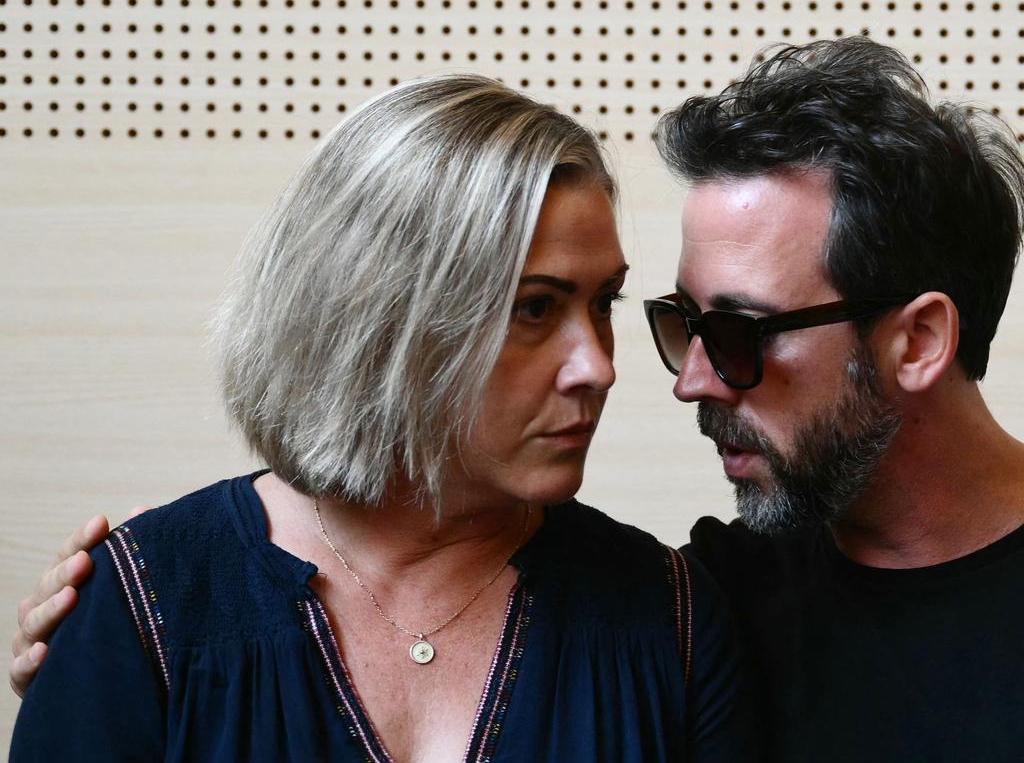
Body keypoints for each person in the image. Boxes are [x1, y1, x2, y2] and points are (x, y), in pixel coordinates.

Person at [9, 74, 753, 761]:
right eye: (535, 308)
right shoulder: (147, 607)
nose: (597, 365)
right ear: (384, 319)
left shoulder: (672, 618)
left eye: (602, 304)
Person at [644, 38, 1024, 761]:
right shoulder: (708, 607)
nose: (693, 382)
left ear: (917, 343)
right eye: (683, 323)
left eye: (739, 332)